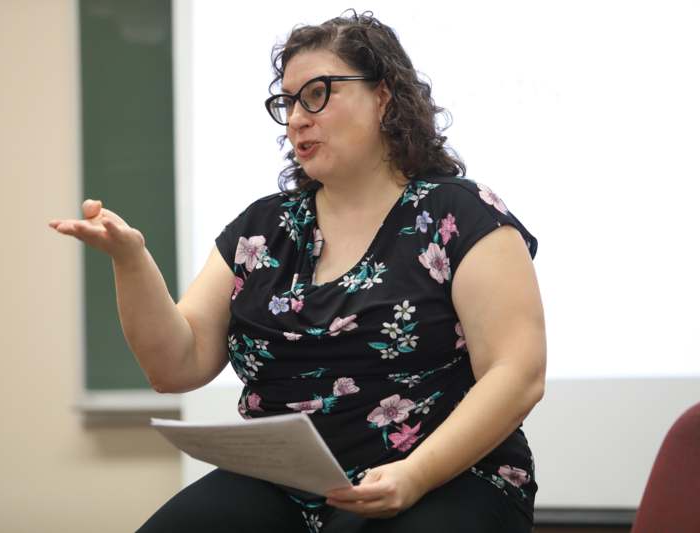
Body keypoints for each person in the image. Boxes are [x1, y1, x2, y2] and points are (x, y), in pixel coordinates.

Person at [50, 9, 546, 533]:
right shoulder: (265, 228)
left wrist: (415, 474)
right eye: (287, 102)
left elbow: (518, 373)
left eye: (317, 94)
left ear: (383, 97)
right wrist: (132, 261)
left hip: (443, 477)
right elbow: (177, 364)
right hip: (281, 486)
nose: (295, 118)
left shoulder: (460, 215)